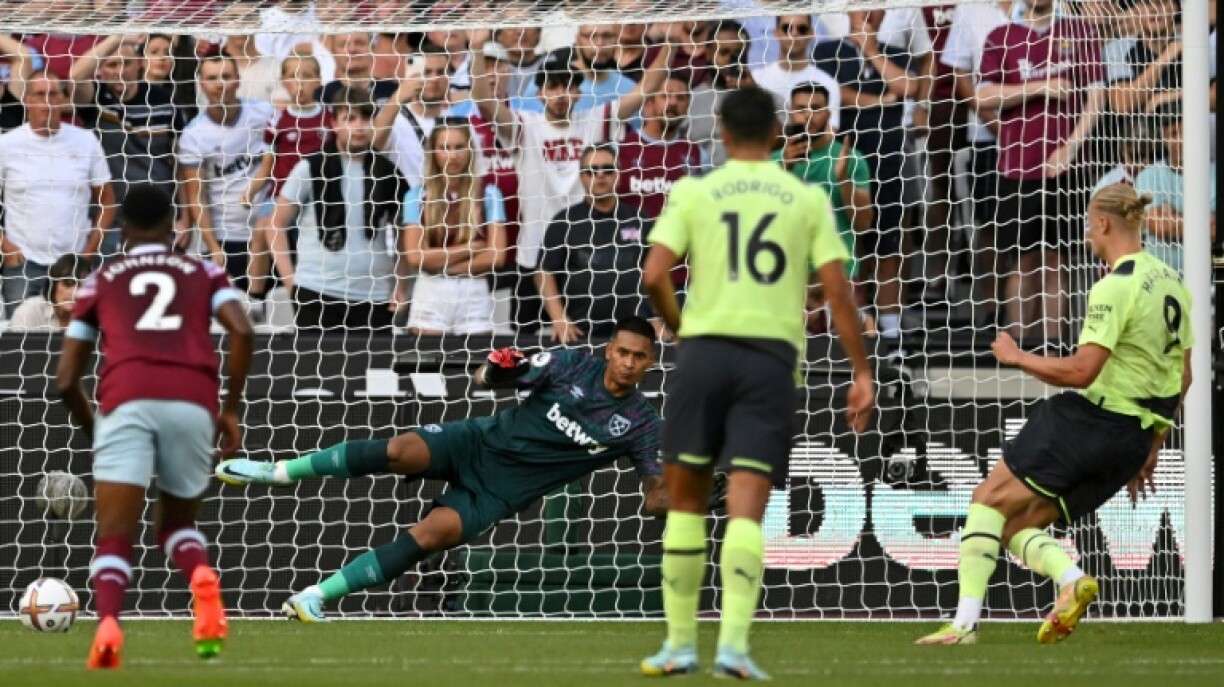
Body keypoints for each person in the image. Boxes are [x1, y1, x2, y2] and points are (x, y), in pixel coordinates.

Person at [639, 85, 874, 680]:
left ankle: (678, 646)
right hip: (769, 362)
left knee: (687, 505)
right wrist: (861, 369)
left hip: (705, 354)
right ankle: (734, 648)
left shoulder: (695, 190)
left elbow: (654, 275)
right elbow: (838, 288)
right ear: (775, 134)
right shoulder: (803, 196)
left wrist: (680, 326)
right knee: (746, 508)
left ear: (721, 134)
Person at [214, 316, 668, 622]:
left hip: (498, 493)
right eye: (623, 352)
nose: (629, 363)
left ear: (651, 362)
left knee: (429, 535)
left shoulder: (642, 424)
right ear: (609, 350)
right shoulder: (570, 364)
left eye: (639, 357)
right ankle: (277, 472)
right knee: (398, 450)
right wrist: (496, 371)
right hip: (477, 441)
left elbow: (653, 497)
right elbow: (485, 378)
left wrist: (685, 500)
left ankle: (314, 597)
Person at [915, 183, 1193, 645]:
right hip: (1131, 442)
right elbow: (1184, 375)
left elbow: (1083, 370)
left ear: (1103, 223)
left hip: (1089, 420)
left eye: (1089, 223)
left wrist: (1016, 356)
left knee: (986, 501)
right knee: (1019, 526)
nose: (1087, 233)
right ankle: (1070, 580)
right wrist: (1152, 447)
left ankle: (964, 625)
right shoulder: (1172, 282)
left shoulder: (1113, 286)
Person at [55, 184, 253, 668]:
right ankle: (201, 576)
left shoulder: (100, 279)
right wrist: (229, 407)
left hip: (126, 399)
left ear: (122, 229)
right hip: (191, 401)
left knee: (115, 534)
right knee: (177, 524)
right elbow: (243, 329)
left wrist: (97, 429)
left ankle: (107, 625)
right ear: (172, 227)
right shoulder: (204, 270)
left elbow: (65, 381)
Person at [976, 0, 1106, 344]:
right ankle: (1019, 351)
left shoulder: (1079, 31)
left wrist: (1072, 147)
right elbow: (983, 96)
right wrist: (1039, 86)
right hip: (1017, 167)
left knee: (1057, 259)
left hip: (1070, 167)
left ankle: (1054, 349)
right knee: (1021, 260)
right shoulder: (1001, 36)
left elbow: (1097, 97)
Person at [269, 87, 408, 330]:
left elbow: (404, 235)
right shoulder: (310, 166)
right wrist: (291, 282)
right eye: (350, 118)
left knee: (373, 369)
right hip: (316, 293)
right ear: (334, 124)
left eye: (366, 118)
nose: (359, 126)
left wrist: (400, 284)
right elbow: (275, 224)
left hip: (374, 298)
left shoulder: (388, 173)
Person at [0, 71, 115, 316]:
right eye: (39, 94)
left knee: (81, 335)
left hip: (74, 263)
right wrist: (4, 246)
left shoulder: (86, 141)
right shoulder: (6, 145)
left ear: (63, 99)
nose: (47, 101)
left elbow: (107, 200)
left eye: (53, 94)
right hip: (24, 264)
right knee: (19, 343)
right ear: (27, 99)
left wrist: (89, 252)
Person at [402, 119, 508, 335]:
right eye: (444, 148)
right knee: (427, 365)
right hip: (431, 292)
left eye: (459, 147)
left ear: (469, 149)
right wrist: (471, 248)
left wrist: (442, 265)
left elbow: (496, 256)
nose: (452, 155)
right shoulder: (416, 197)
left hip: (474, 290)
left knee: (476, 363)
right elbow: (415, 257)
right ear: (434, 152)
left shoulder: (489, 194)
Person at [178, 54, 276, 289]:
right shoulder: (194, 135)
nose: (220, 84)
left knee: (277, 311)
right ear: (201, 84)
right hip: (228, 237)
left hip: (273, 232)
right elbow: (197, 196)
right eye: (212, 78)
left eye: (226, 76)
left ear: (238, 80)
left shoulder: (264, 113)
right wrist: (213, 247)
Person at [538, 144, 647, 342]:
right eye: (591, 171)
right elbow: (544, 273)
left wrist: (656, 317)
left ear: (618, 175)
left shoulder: (641, 220)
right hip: (581, 335)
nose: (600, 175)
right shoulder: (564, 221)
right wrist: (559, 318)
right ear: (581, 177)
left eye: (607, 169)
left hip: (633, 335)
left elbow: (655, 272)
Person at [776, 82, 873, 277]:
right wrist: (784, 169)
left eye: (816, 108)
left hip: (838, 272)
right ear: (790, 114)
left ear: (829, 114)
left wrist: (842, 179)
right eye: (801, 109)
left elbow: (863, 225)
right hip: (786, 273)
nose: (808, 115)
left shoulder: (851, 159)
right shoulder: (772, 160)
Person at [750, 14, 842, 128]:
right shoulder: (756, 78)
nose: (794, 34)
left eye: (802, 29)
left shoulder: (828, 83)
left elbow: (831, 133)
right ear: (776, 32)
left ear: (811, 33)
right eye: (787, 28)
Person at [8, 252, 91, 331]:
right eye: (68, 283)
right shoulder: (28, 313)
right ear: (53, 284)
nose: (74, 292)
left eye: (82, 286)